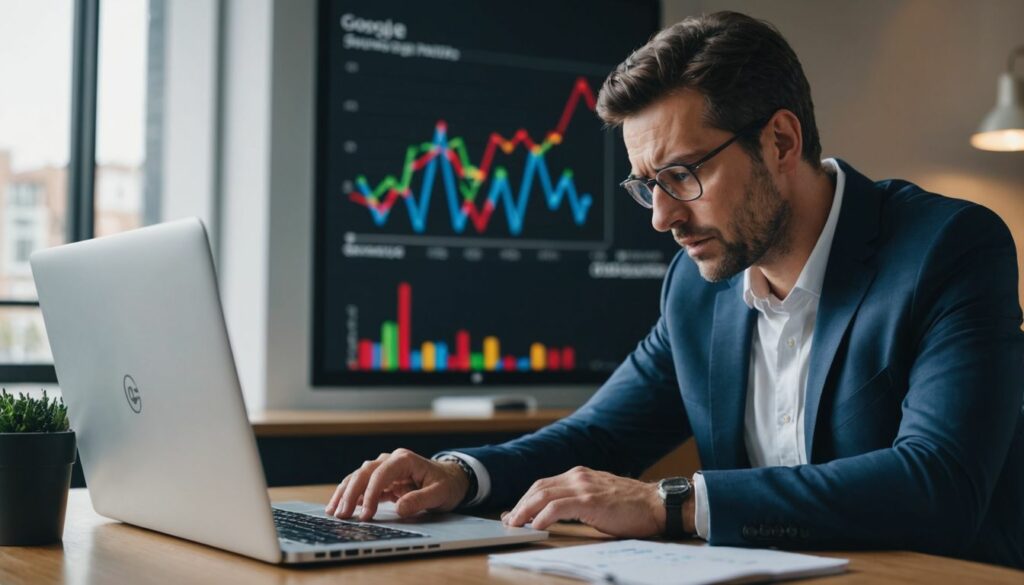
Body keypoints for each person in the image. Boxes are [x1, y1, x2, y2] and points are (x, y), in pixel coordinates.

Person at [325, 11, 1024, 568]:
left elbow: (939, 483)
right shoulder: (697, 288)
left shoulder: (949, 250)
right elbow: (600, 434)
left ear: (781, 141)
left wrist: (675, 502)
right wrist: (459, 474)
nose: (663, 217)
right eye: (647, 185)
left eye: (683, 174)